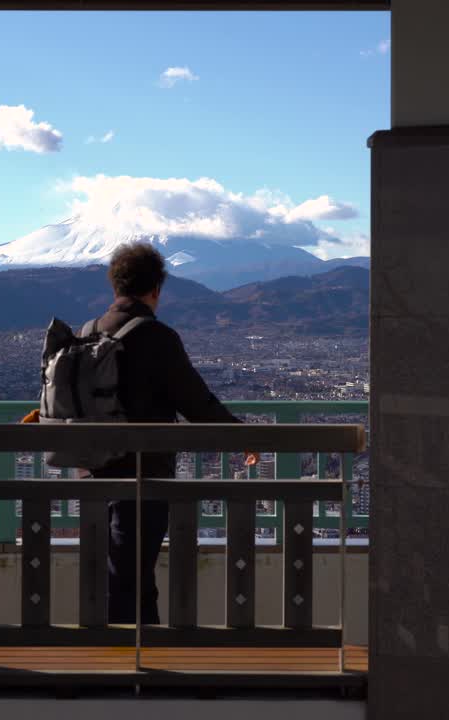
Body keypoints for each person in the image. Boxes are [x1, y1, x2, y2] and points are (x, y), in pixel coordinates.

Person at [88, 243, 256, 625]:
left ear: (115, 286)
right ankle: (136, 664)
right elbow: (197, 403)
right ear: (156, 290)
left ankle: (115, 659)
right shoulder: (156, 337)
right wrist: (241, 437)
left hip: (90, 475)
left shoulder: (89, 332)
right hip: (144, 474)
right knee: (135, 574)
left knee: (116, 572)